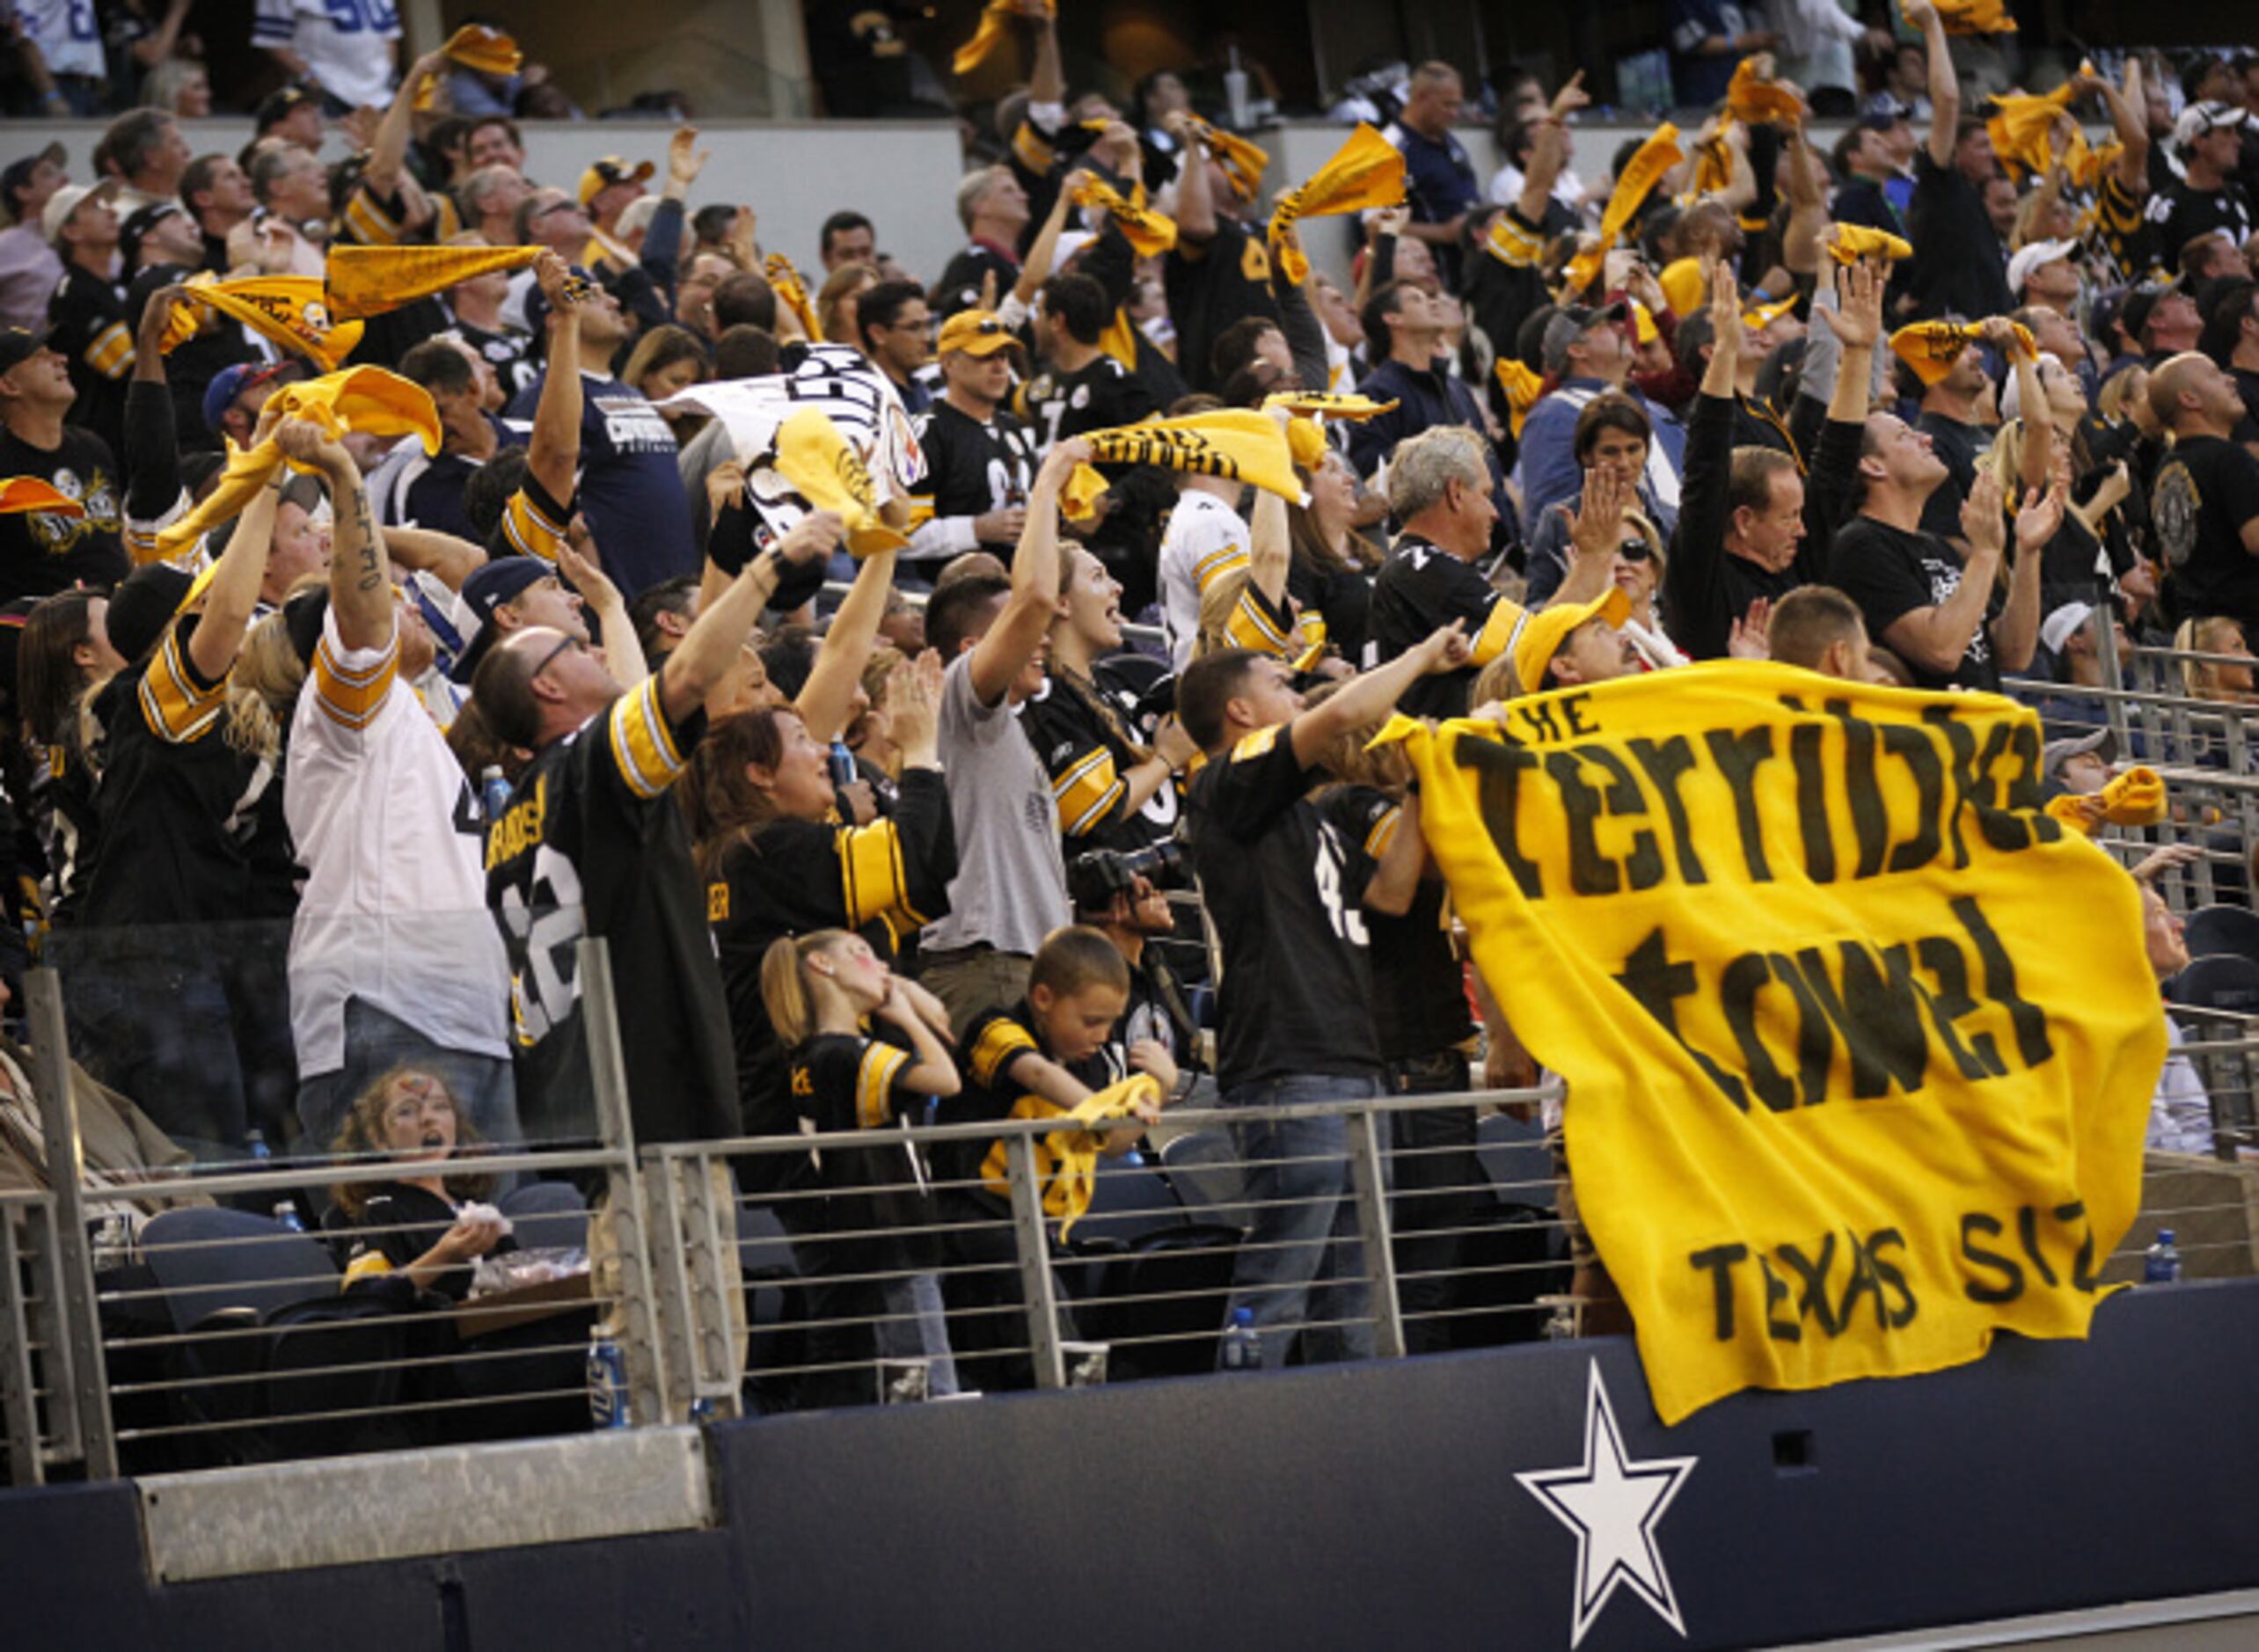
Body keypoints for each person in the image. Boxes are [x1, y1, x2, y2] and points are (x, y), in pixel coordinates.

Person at [471, 496, 845, 1145]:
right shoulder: (591, 767)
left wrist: (616, 609)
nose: (594, 649)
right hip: (648, 1096)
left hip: (575, 1096)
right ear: (549, 689)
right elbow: (691, 675)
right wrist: (769, 566)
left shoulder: (517, 815)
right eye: (576, 648)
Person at [1176, 618, 1468, 1369]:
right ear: (1239, 712)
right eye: (1279, 682)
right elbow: (1338, 714)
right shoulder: (1224, 783)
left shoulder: (1307, 815)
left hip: (1354, 1060)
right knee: (1278, 1283)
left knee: (1358, 1296)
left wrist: (1417, 787)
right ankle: (1239, 1441)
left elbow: (1397, 894)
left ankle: (1357, 1457)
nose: (1296, 691)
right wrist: (1420, 652)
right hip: (1287, 1064)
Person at [277, 420, 516, 1158]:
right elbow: (364, 615)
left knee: (502, 1255)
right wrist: (347, 481)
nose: (412, 608)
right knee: (400, 1238)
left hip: (468, 1014)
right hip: (386, 1010)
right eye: (399, 601)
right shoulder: (346, 709)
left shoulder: (417, 720)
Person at [939, 925, 1169, 1392]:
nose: (1103, 1036)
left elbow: (1113, 1141)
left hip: (1037, 1227)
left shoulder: (1092, 1062)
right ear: (1043, 998)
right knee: (1032, 1322)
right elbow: (1037, 1074)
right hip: (972, 1221)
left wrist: (1157, 1088)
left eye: (1111, 1022)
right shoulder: (996, 1028)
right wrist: (1105, 1107)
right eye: (1090, 1021)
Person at [913, 444, 1086, 1034]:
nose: (1041, 640)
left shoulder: (1007, 728)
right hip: (985, 968)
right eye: (1018, 633)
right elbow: (1036, 598)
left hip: (1026, 967)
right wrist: (1048, 484)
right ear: (970, 653)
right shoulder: (963, 703)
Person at [761, 928, 961, 1406]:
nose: (881, 966)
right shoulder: (848, 1054)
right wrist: (909, 1017)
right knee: (932, 1392)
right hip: (893, 1237)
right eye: (862, 954)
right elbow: (945, 1079)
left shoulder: (816, 1055)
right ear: (823, 967)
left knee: (895, 1383)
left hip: (870, 1240)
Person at [1663, 259, 1878, 660]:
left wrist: (1859, 352)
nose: (1802, 529)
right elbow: (1705, 468)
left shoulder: (1796, 562)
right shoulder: (1701, 576)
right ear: (1743, 521)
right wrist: (1726, 351)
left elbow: (1834, 465)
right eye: (1788, 518)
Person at [1827, 413, 2054, 693]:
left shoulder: (1936, 546)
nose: (1927, 438)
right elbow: (1941, 651)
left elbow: (2014, 652)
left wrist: (2027, 552)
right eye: (1905, 435)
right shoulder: (1861, 545)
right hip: (1929, 732)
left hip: (1983, 725)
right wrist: (1985, 552)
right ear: (1873, 465)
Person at [506, 275, 697, 597]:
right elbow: (532, 498)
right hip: (614, 602)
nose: (614, 302)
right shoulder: (543, 399)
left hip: (671, 596)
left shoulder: (628, 392)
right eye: (594, 297)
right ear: (555, 318)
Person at [1367, 425, 1540, 719]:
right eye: (1486, 495)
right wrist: (1593, 561)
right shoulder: (1426, 568)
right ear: (1455, 493)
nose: (1495, 513)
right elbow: (1541, 647)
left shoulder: (1415, 564)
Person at [329, 1068, 510, 1303]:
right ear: (379, 1139)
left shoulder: (477, 1208)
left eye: (440, 1106)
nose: (428, 1118)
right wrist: (443, 1256)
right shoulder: (380, 1212)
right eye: (407, 1111)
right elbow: (364, 1298)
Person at [1898, 0, 2013, 325]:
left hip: (1990, 329)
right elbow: (1947, 101)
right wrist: (1934, 27)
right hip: (1959, 332)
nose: (1992, 153)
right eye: (1981, 146)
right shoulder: (1939, 183)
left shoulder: (1971, 194)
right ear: (1955, 152)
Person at [904, 308, 1037, 568]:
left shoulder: (1013, 427)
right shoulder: (926, 432)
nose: (1000, 367)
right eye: (985, 357)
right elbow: (898, 534)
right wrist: (974, 530)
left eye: (1004, 357)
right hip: (950, 593)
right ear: (949, 363)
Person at [0, 325, 125, 601]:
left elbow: (117, 539)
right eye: (41, 356)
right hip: (47, 633)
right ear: (9, 385)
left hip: (118, 619)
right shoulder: (5, 465)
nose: (62, 359)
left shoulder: (91, 446)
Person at [2149, 353, 2259, 634]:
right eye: (2215, 375)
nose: (2231, 379)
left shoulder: (2165, 467)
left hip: (2196, 633)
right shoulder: (2229, 459)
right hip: (2245, 633)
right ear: (2189, 399)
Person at [1380, 62, 1480, 284]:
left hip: (1471, 269)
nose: (1454, 114)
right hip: (1432, 276)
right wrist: (1443, 232)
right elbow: (1374, 223)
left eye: (1457, 106)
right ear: (1422, 97)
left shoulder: (1448, 140)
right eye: (1447, 105)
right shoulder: (1390, 148)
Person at [253, 0, 398, 114]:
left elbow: (390, 36)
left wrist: (387, 78)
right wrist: (312, 81)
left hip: (380, 95)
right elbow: (274, 42)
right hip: (328, 93)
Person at [2151, 102, 2254, 264]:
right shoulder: (2169, 206)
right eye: (2227, 132)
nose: (2238, 141)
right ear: (2199, 142)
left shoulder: (2237, 193)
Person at [1765, 583, 1875, 679]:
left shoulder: (1751, 699)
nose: (1870, 671)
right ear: (1840, 657)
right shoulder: (1873, 702)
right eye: (1865, 657)